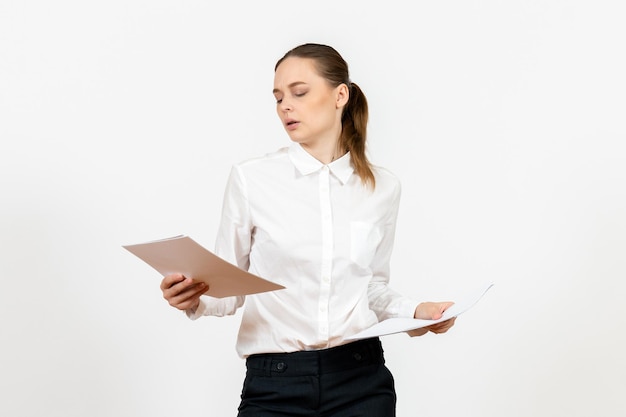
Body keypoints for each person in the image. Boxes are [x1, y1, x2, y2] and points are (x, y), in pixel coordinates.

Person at [160, 43, 456, 417]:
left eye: (299, 93)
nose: (286, 105)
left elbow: (372, 289)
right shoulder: (252, 179)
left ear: (340, 95)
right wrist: (193, 296)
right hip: (274, 384)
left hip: (361, 381)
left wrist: (418, 312)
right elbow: (226, 291)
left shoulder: (382, 188)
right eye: (278, 97)